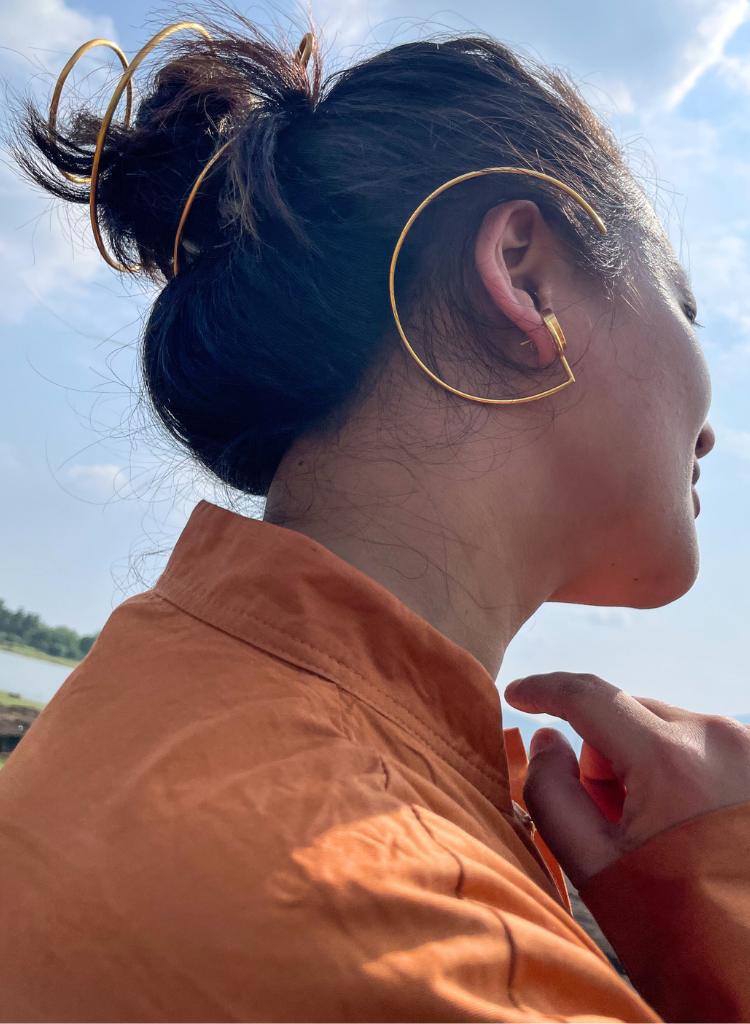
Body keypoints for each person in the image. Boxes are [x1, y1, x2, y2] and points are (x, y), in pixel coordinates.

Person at [1, 13, 749, 1023]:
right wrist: (722, 889)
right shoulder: (421, 932)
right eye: (687, 307)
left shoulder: (149, 694)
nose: (716, 422)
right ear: (523, 277)